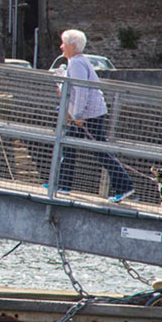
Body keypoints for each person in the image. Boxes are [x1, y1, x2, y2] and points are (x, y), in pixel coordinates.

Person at [54, 29, 134, 202]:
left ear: (72, 46)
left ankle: (125, 186)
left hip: (88, 115)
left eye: (63, 43)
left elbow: (81, 90)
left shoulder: (76, 63)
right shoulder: (77, 62)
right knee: (68, 147)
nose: (61, 46)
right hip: (87, 113)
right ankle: (62, 185)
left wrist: (77, 115)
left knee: (100, 151)